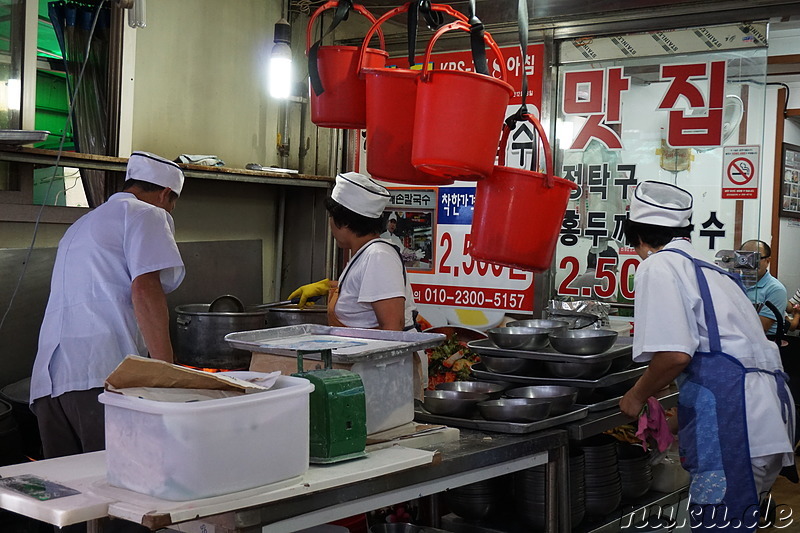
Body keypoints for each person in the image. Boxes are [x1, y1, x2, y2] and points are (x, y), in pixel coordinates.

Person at [618, 181, 795, 531]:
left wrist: (636, 396)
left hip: (737, 430)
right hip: (769, 422)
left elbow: (675, 355)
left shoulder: (659, 264)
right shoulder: (714, 270)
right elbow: (725, 357)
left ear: (638, 236)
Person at [289, 172, 417, 331]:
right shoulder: (367, 254)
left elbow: (393, 328)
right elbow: (367, 292)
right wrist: (329, 286)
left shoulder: (379, 256)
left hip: (380, 356)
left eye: (331, 216)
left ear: (344, 222)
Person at [740, 239, 788, 338]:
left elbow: (760, 327)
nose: (749, 263)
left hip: (764, 341)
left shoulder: (776, 289)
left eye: (755, 258)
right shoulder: (732, 282)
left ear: (767, 261)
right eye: (744, 258)